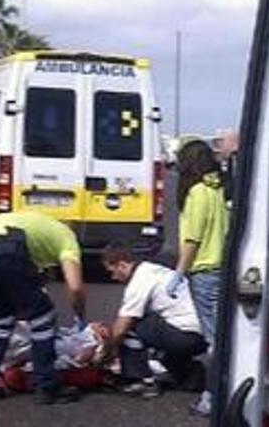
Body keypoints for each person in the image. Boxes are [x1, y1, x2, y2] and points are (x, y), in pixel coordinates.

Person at [0, 211, 86, 405]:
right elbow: (75, 287)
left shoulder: (39, 226)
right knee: (43, 319)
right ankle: (46, 386)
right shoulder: (68, 238)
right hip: (7, 246)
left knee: (0, 321)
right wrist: (80, 316)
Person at [167, 139, 229, 415]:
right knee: (222, 334)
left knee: (214, 339)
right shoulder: (218, 190)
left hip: (204, 271)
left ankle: (213, 396)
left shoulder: (196, 194)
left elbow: (192, 239)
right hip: (222, 268)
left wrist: (179, 272)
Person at [98, 243, 207, 398]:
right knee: (160, 334)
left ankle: (141, 381)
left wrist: (104, 353)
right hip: (202, 334)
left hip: (185, 335)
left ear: (121, 265)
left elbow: (121, 328)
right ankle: (190, 376)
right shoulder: (155, 269)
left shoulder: (139, 281)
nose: (113, 277)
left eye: (112, 271)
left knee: (132, 326)